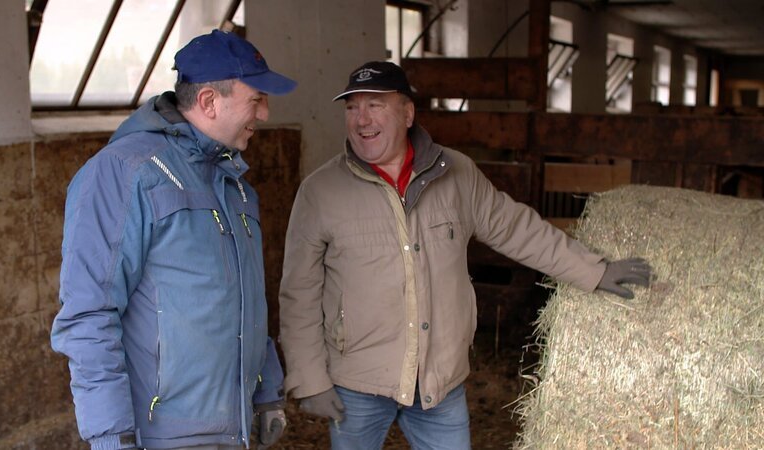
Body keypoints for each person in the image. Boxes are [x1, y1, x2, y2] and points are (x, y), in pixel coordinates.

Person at [278, 61, 651, 449]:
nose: (361, 119)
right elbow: (299, 292)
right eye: (352, 107)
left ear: (407, 114)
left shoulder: (455, 173)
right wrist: (309, 379)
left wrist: (593, 271)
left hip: (440, 380)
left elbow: (516, 229)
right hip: (358, 381)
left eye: (375, 105)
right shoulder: (320, 191)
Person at [51, 30, 296, 450]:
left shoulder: (234, 184)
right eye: (256, 99)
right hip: (164, 434)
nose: (266, 113)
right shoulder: (125, 173)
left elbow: (247, 299)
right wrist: (111, 436)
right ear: (209, 101)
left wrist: (266, 389)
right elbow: (89, 314)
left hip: (232, 426)